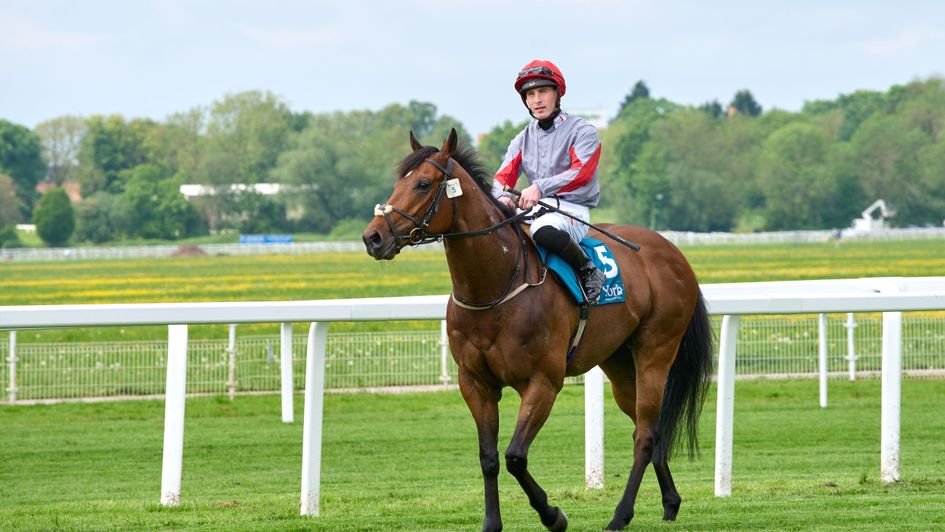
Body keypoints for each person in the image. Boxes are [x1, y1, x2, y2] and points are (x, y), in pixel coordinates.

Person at [491, 59, 606, 302]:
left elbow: (582, 173)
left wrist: (539, 187)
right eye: (530, 94)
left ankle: (589, 271)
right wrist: (502, 198)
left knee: (541, 230)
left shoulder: (583, 132)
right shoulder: (521, 139)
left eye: (543, 91)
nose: (537, 100)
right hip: (536, 209)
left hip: (572, 211)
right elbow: (503, 176)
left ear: (557, 93)